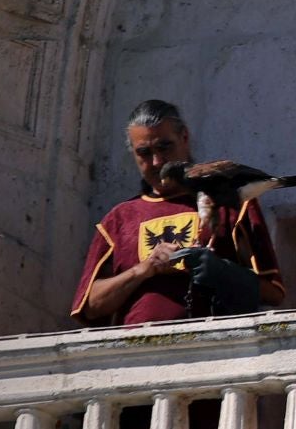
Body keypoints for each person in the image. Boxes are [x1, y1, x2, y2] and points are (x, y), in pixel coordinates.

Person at [71, 99, 284, 325]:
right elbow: (91, 306)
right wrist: (143, 270)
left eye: (165, 147)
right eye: (144, 152)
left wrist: (225, 273)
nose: (157, 161)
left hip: (213, 347)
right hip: (135, 351)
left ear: (184, 138)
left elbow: (274, 292)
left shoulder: (232, 203)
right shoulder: (119, 219)